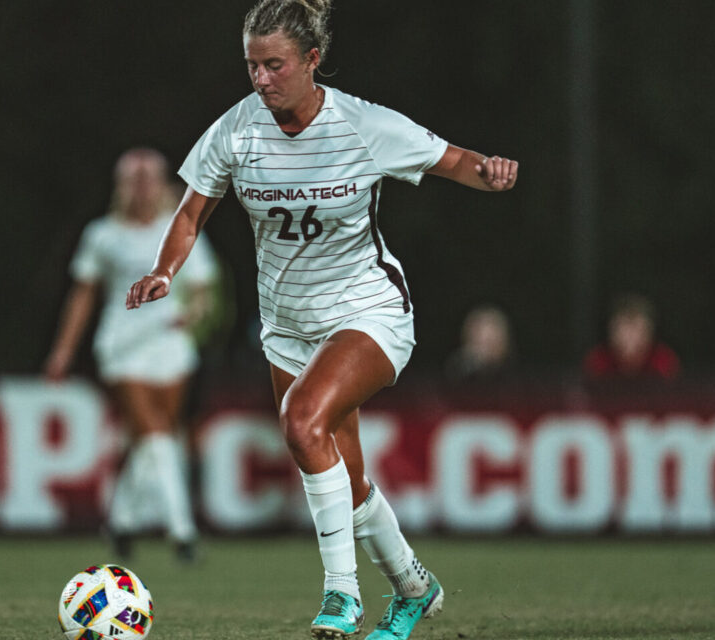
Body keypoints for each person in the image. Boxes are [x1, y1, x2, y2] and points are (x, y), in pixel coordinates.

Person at [126, 2, 518, 637]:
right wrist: (165, 271)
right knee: (349, 478)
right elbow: (192, 211)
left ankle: (343, 594)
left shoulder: (361, 126)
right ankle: (415, 587)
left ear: (312, 61)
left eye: (274, 65)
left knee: (302, 421)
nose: (260, 79)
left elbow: (452, 159)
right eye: (252, 65)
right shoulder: (236, 129)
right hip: (287, 326)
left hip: (368, 311)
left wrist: (491, 172)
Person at [44, 147, 217, 563]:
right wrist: (62, 352)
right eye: (133, 180)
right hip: (122, 345)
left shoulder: (180, 227)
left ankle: (121, 522)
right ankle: (182, 531)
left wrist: (193, 313)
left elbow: (203, 291)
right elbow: (83, 296)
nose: (142, 188)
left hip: (169, 343)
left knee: (151, 439)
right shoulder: (102, 234)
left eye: (149, 179)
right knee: (155, 433)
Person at [583, 294, 680, 382]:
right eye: (624, 328)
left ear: (649, 332)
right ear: (611, 331)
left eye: (636, 328)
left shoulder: (664, 361)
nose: (630, 337)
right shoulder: (597, 362)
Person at [444, 305, 515, 383]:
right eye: (479, 342)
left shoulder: (514, 376)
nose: (484, 350)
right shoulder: (459, 371)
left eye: (490, 342)